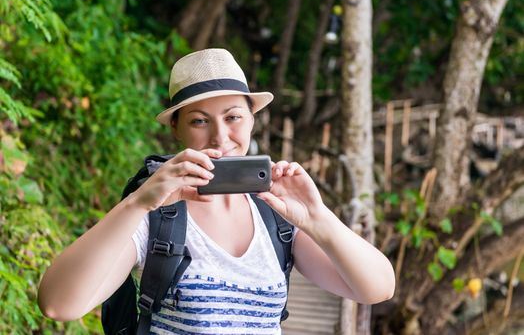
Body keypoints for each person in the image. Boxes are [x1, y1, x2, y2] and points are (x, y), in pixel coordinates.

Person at [38, 48, 395, 334]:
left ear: (253, 118)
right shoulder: (158, 212)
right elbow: (59, 305)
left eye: (233, 117)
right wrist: (137, 203)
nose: (220, 138)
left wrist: (316, 217)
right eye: (199, 120)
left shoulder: (275, 215)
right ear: (176, 129)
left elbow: (377, 288)